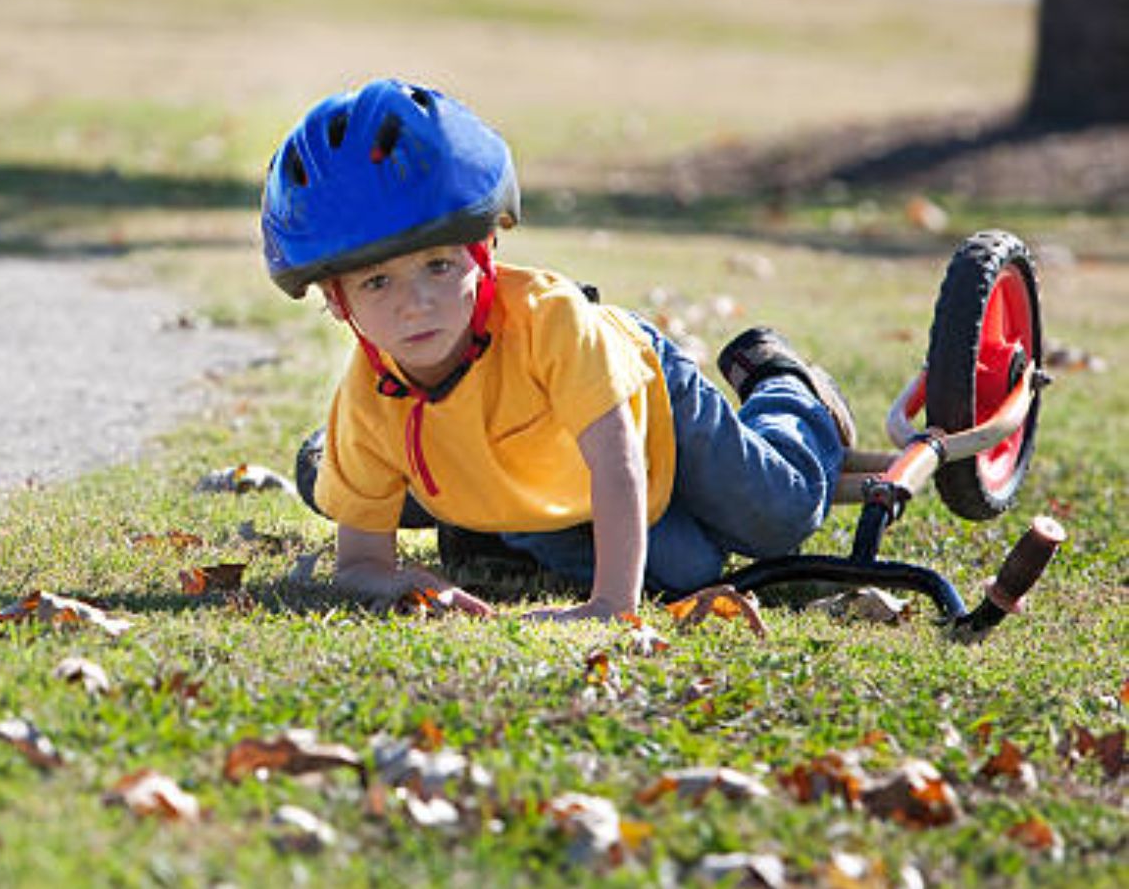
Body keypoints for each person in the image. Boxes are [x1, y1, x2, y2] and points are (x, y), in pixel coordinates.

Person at [263, 79, 856, 622]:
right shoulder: (368, 401)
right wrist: (406, 583)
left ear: (483, 252)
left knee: (781, 516)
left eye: (438, 266)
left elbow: (617, 459)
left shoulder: (554, 325)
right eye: (376, 283)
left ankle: (782, 384)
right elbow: (358, 564)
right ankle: (483, 531)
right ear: (338, 302)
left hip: (647, 404)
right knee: (687, 571)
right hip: (534, 485)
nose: (415, 304)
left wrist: (611, 605)